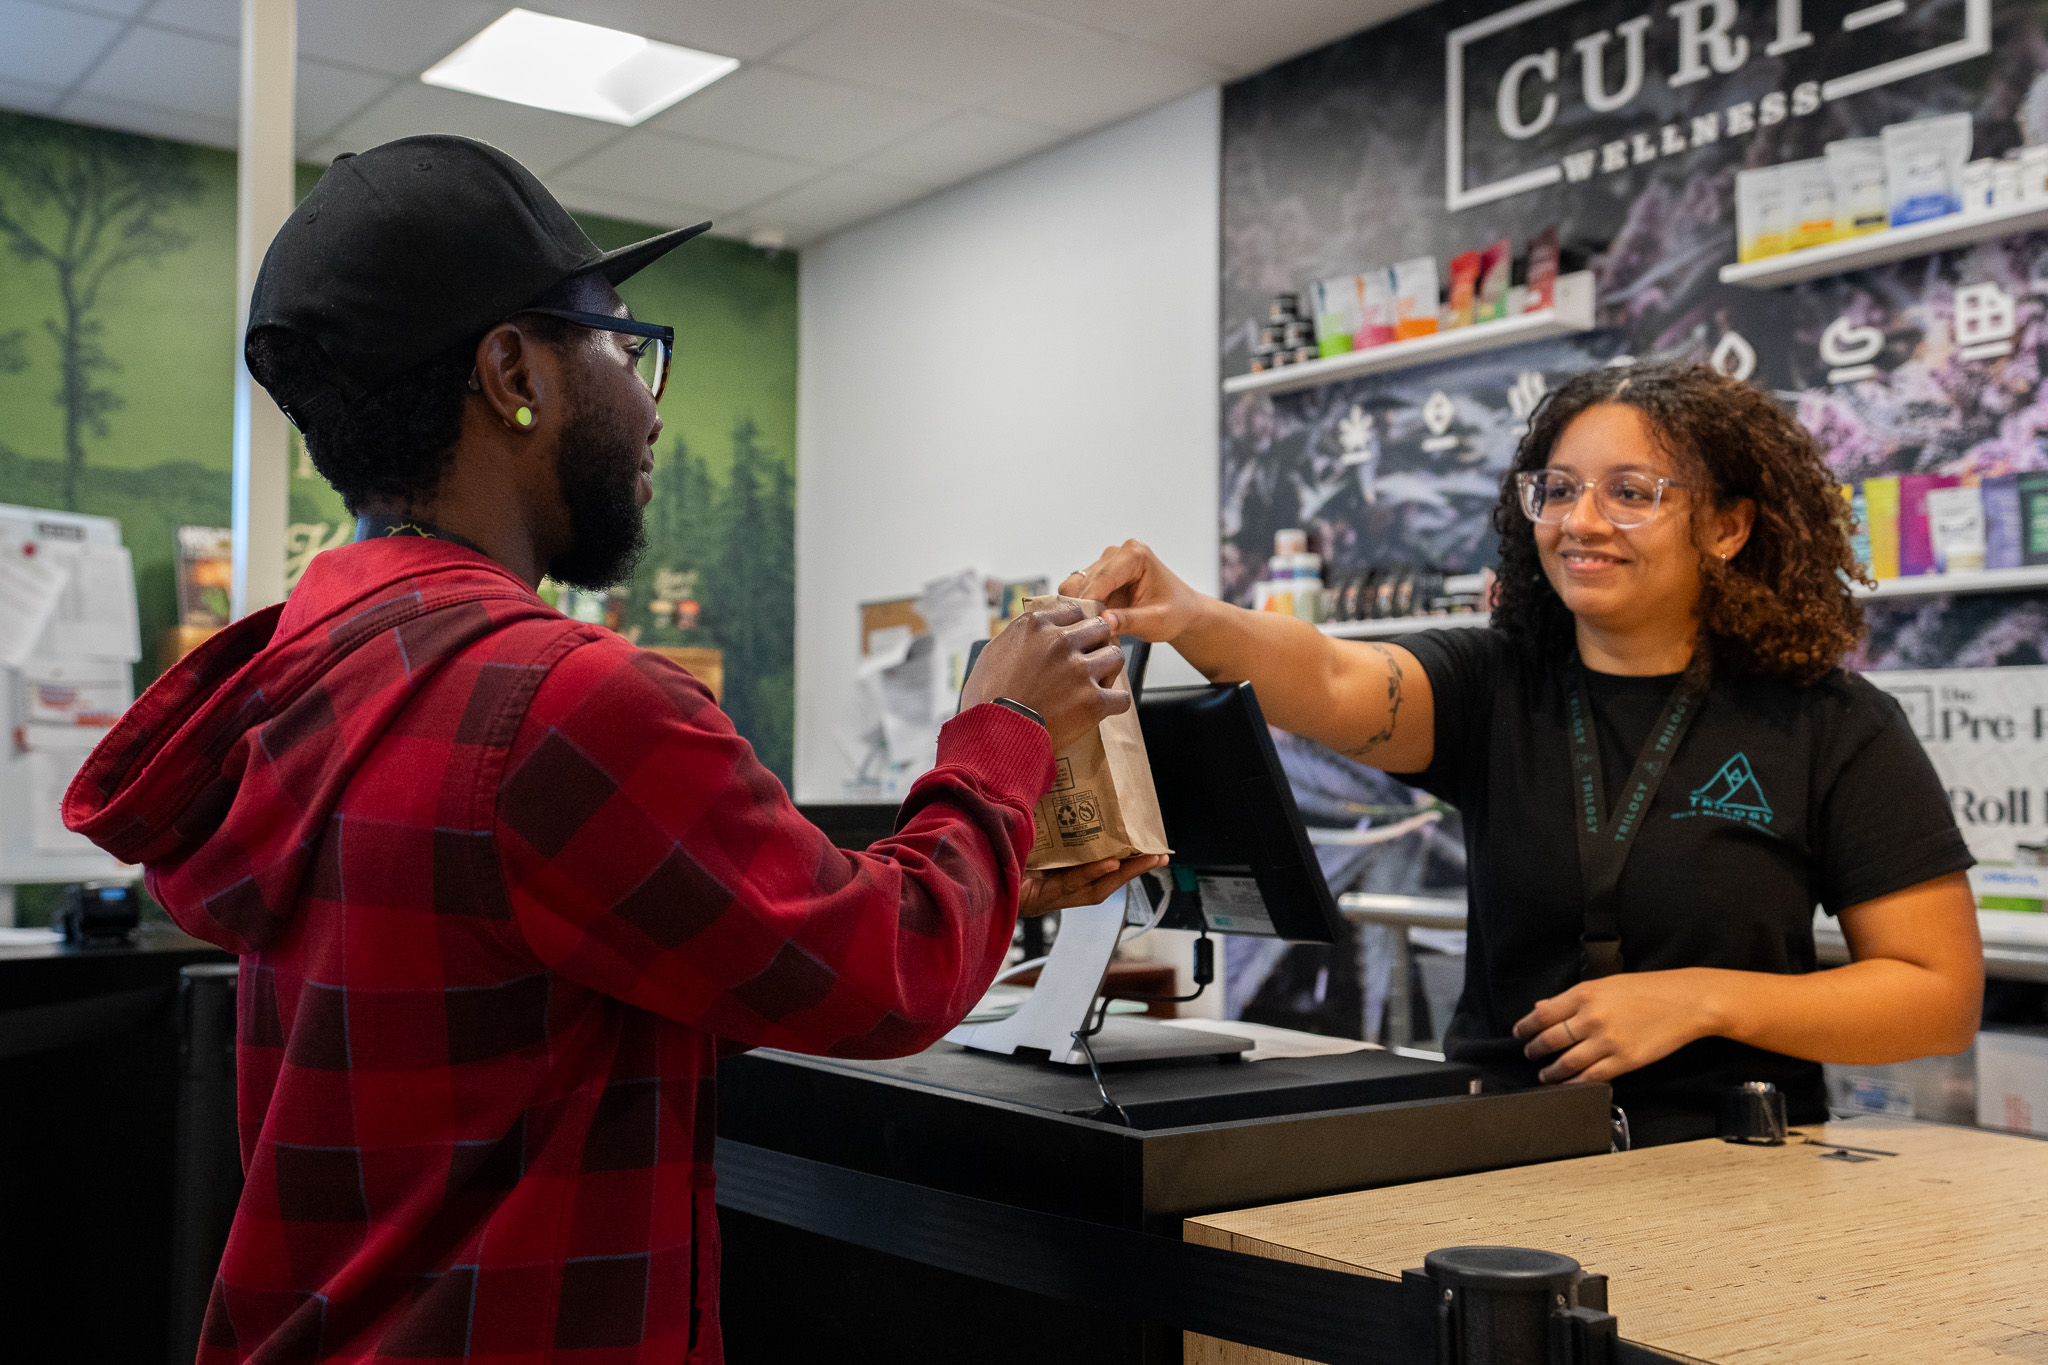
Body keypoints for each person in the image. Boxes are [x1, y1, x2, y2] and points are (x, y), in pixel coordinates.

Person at [63, 135, 1160, 1364]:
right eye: (626, 346)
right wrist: (1000, 729)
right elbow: (891, 969)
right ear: (512, 369)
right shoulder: (555, 703)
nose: (646, 404)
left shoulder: (307, 675)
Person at [1070, 361, 1982, 1146]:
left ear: (1727, 527)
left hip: (1739, 1163)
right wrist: (1190, 616)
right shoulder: (1492, 684)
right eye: (1559, 488)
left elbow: (1936, 995)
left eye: (1632, 492)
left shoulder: (1831, 723)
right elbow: (1335, 676)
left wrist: (1702, 998)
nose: (1582, 519)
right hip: (1501, 1156)